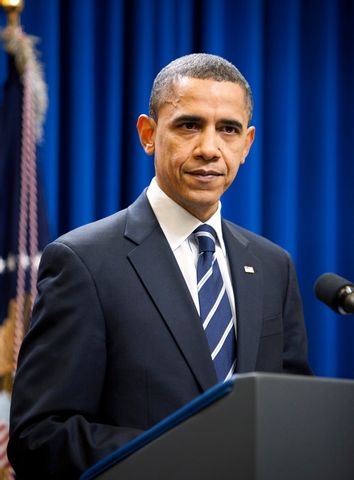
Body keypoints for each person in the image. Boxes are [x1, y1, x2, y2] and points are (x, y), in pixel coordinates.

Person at [8, 53, 312, 479]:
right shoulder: (83, 261)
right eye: (189, 125)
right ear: (149, 135)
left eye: (228, 129)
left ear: (247, 145)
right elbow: (38, 437)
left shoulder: (272, 265)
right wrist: (180, 455)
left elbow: (293, 413)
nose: (209, 148)